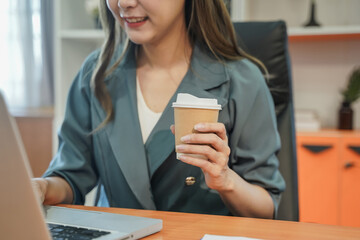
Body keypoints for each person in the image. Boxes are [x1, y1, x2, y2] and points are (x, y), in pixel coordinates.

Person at [33, 0, 285, 219]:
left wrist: (226, 180)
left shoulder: (242, 82)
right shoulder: (96, 73)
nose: (125, 3)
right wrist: (41, 187)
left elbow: (266, 208)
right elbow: (70, 176)